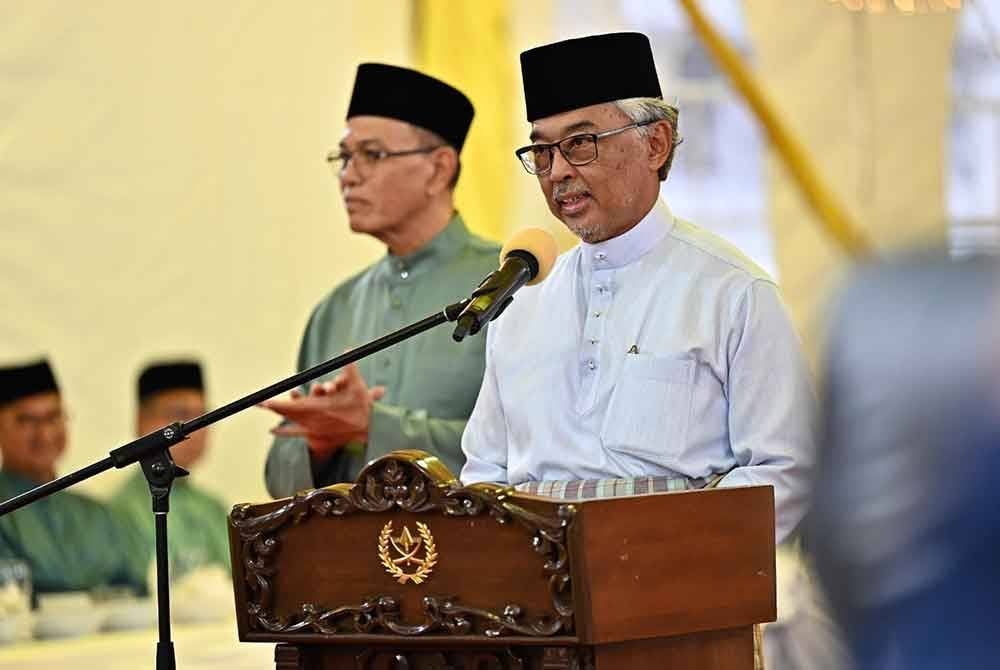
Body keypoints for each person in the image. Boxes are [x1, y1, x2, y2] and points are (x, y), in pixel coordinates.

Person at [460, 32, 815, 544]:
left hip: (678, 596)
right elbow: (485, 472)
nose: (557, 171)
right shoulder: (521, 302)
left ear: (655, 143)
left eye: (579, 143)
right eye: (541, 151)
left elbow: (788, 467)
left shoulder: (733, 293)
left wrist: (659, 553)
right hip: (536, 606)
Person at [262, 64, 500, 498]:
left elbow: (535, 451)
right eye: (345, 157)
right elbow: (280, 483)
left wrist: (375, 428)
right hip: (351, 560)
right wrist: (320, 444)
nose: (348, 176)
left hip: (475, 557)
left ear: (438, 169)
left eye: (372, 155)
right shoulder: (336, 308)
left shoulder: (509, 285)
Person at [0, 359, 144, 594]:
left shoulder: (98, 515)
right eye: (27, 421)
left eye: (54, 417)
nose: (45, 434)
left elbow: (135, 587)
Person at [111, 361, 230, 579]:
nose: (194, 428)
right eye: (180, 415)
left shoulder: (212, 507)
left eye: (202, 416)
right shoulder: (120, 512)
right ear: (141, 421)